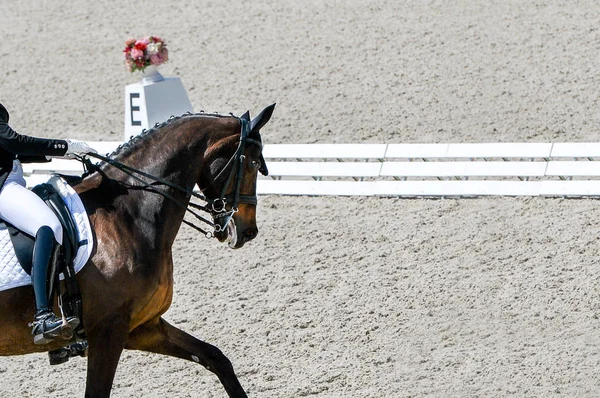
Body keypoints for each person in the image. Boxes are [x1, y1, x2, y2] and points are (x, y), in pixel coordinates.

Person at [0, 102, 98, 345]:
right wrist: (63, 146)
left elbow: (12, 152)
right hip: (3, 187)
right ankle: (43, 315)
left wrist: (64, 153)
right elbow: (13, 141)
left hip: (10, 180)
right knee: (48, 226)